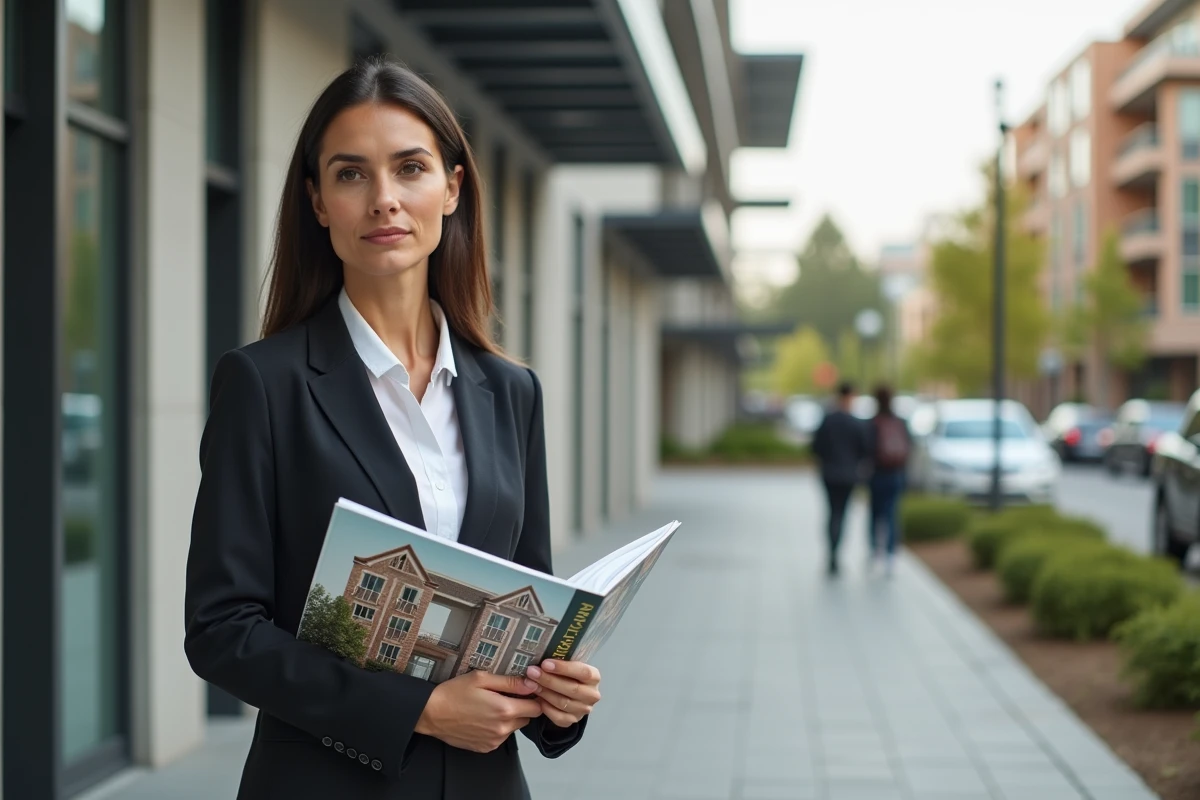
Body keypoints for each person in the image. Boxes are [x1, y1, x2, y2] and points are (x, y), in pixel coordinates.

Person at [183, 57, 600, 800]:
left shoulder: (512, 393)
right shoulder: (265, 385)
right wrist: (422, 712)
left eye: (410, 169)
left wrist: (555, 703)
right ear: (317, 201)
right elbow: (222, 630)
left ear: (452, 187)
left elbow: (527, 605)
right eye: (351, 175)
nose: (384, 200)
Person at [811, 382, 869, 575]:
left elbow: (816, 447)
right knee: (841, 514)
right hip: (848, 475)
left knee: (832, 513)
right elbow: (865, 450)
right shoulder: (855, 422)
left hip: (829, 473)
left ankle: (832, 553)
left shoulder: (828, 420)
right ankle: (836, 553)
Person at [866, 385, 912, 577]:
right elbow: (909, 448)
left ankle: (874, 550)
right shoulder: (900, 422)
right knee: (892, 514)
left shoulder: (873, 423)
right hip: (895, 474)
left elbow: (866, 449)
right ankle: (891, 555)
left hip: (877, 474)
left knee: (875, 514)